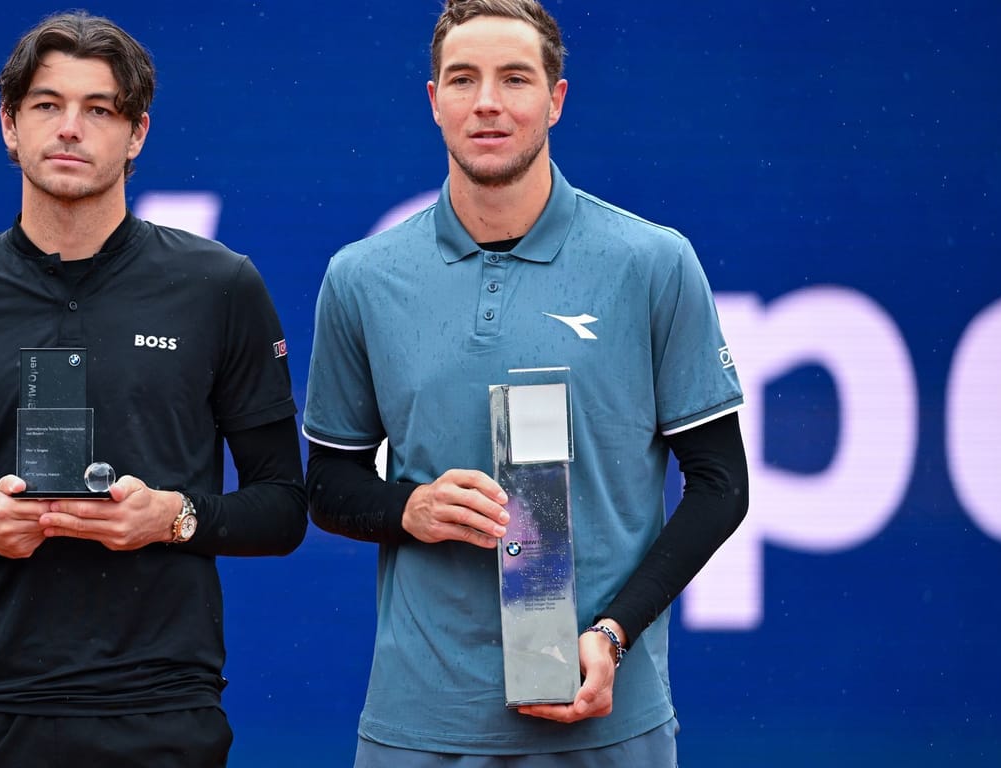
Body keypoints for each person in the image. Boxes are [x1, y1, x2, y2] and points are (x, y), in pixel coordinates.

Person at [0, 11, 306, 767]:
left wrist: (171, 517)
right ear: (10, 126)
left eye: (100, 109)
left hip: (161, 710)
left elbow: (282, 507)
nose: (71, 128)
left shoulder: (220, 287)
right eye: (47, 105)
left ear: (137, 133)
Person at [303, 0, 749, 765]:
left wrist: (613, 633)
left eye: (514, 78)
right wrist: (410, 506)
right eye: (462, 79)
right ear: (433, 100)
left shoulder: (653, 262)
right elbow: (329, 483)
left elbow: (721, 485)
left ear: (556, 99)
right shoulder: (361, 277)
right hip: (421, 723)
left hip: (606, 717)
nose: (487, 102)